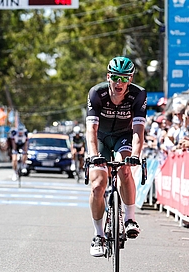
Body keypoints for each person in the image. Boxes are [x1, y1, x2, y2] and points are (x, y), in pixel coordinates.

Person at [86, 56, 147, 257]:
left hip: (124, 136)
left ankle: (130, 218)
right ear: (108, 76)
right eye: (115, 77)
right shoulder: (97, 93)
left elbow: (138, 131)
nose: (119, 82)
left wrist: (136, 155)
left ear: (130, 79)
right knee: (97, 185)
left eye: (124, 78)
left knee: (125, 169)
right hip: (101, 138)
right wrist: (94, 155)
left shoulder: (138, 95)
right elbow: (91, 130)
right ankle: (98, 235)